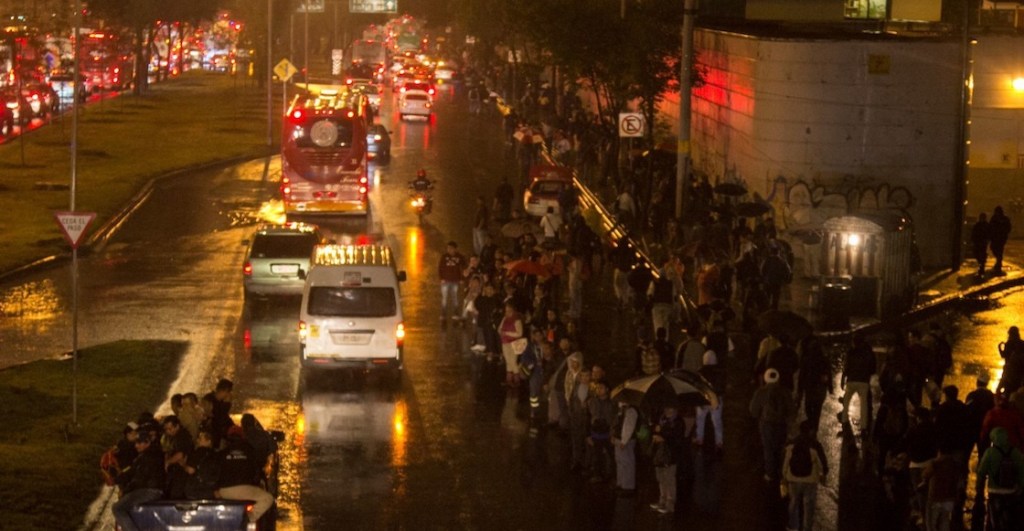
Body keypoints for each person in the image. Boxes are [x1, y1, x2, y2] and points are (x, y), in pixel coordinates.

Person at [218, 427, 275, 525]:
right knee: (268, 498)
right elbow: (257, 469)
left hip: (224, 491)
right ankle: (248, 518)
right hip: (244, 490)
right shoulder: (250, 451)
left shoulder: (222, 453)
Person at [112, 432, 167, 531]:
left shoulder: (149, 457)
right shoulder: (146, 455)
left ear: (147, 443)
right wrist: (117, 479)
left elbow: (139, 479)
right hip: (151, 489)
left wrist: (126, 491)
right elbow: (131, 471)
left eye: (139, 443)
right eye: (136, 443)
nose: (136, 446)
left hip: (149, 490)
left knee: (117, 508)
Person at [975, 427, 1024, 531]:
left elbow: (981, 472)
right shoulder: (1015, 452)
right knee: (1011, 519)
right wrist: (1020, 486)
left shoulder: (989, 453)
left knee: (993, 518)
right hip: (1011, 491)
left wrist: (979, 487)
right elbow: (1021, 471)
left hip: (994, 490)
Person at [750, 368, 793, 481]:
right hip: (781, 424)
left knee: (768, 449)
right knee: (780, 448)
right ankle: (781, 472)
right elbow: (792, 410)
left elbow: (753, 411)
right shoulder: (785, 392)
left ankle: (770, 473)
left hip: (766, 425)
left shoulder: (761, 392)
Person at [783, 420, 827, 531]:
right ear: (811, 431)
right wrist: (823, 474)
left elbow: (785, 462)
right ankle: (807, 528)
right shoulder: (815, 445)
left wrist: (784, 476)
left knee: (794, 501)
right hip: (810, 480)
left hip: (793, 478)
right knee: (809, 505)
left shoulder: (791, 444)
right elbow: (822, 463)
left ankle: (793, 526)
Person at [650, 405, 685, 515]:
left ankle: (670, 505)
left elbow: (677, 439)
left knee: (669, 479)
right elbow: (656, 432)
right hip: (660, 453)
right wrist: (655, 433)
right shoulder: (662, 419)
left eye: (670, 407)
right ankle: (662, 500)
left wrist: (663, 436)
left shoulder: (678, 421)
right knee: (661, 478)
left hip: (671, 454)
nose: (667, 410)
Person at [840, 334, 876, 431]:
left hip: (851, 380)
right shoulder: (868, 353)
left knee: (846, 402)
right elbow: (873, 369)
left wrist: (843, 379)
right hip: (863, 381)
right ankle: (864, 427)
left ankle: (844, 422)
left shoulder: (851, 352)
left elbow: (846, 367)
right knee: (864, 405)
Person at [920, 445, 961, 531]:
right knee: (945, 521)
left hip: (935, 497)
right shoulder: (955, 464)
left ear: (939, 452)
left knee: (931, 524)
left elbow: (925, 474)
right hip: (949, 498)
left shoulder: (935, 463)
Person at [797, 334, 832, 428]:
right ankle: (814, 428)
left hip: (810, 388)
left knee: (808, 407)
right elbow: (828, 373)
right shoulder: (824, 360)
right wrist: (830, 386)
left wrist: (799, 390)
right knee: (817, 408)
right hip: (820, 388)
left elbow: (802, 376)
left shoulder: (806, 360)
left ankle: (811, 424)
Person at [586, 379, 617, 483]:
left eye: (601, 388)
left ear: (607, 389)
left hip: (608, 432)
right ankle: (597, 474)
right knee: (597, 455)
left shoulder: (612, 403)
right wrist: (588, 435)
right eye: (598, 388)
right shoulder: (591, 402)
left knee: (612, 456)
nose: (599, 390)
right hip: (596, 433)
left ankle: (613, 476)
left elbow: (615, 418)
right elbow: (587, 417)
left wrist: (613, 433)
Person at [184, 429, 221, 500]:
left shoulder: (199, 452)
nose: (197, 441)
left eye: (200, 439)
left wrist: (184, 465)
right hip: (211, 489)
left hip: (196, 488)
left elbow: (190, 470)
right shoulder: (217, 455)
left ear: (209, 441)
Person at [613, 401, 640, 496]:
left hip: (625, 440)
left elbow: (628, 427)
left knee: (627, 462)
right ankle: (621, 483)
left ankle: (628, 486)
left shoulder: (631, 411)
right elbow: (617, 424)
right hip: (619, 438)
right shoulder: (621, 411)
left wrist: (624, 440)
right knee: (620, 462)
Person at [438, 241, 467, 324]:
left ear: (455, 249)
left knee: (455, 298)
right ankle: (443, 315)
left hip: (455, 281)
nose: (449, 250)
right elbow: (440, 268)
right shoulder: (444, 257)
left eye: (451, 248)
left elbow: (464, 268)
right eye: (448, 248)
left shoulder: (460, 257)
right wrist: (441, 278)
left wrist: (462, 279)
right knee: (444, 298)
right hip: (445, 281)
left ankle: (455, 314)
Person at [498, 302, 525, 387]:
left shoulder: (517, 320)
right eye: (506, 311)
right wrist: (501, 332)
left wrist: (506, 333)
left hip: (514, 343)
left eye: (509, 310)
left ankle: (517, 380)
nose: (507, 312)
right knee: (508, 362)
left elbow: (519, 333)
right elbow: (499, 329)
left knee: (513, 362)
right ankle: (509, 380)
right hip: (505, 342)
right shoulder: (504, 319)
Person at [761, 246, 792, 310]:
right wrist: (785, 280)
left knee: (767, 296)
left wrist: (764, 278)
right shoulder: (783, 261)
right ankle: (774, 310)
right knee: (776, 298)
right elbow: (788, 271)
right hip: (777, 282)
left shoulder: (767, 260)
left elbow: (762, 270)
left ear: (771, 252)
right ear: (778, 252)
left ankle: (766, 310)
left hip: (768, 281)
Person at [998, 326, 1024, 396]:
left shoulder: (1008, 343)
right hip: (1021, 372)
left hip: (1009, 372)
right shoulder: (1022, 343)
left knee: (1007, 390)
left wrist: (999, 348)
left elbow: (1004, 355)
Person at [210, 379, 235, 448]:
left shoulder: (220, 402)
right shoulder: (210, 401)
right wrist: (226, 404)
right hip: (213, 438)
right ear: (225, 391)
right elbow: (220, 419)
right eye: (229, 392)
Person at [989, 205, 1012, 275]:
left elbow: (1008, 227)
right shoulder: (994, 218)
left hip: (1001, 238)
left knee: (999, 250)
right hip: (995, 238)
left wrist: (1004, 232)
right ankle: (998, 262)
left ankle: (998, 264)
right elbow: (990, 227)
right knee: (994, 249)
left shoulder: (1004, 219)